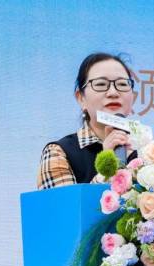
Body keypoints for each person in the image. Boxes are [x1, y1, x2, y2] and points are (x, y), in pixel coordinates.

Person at [37, 52, 136, 189]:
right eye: (101, 84)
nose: (113, 92)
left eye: (122, 84)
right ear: (81, 98)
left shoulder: (150, 152)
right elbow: (66, 203)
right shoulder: (58, 153)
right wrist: (106, 168)